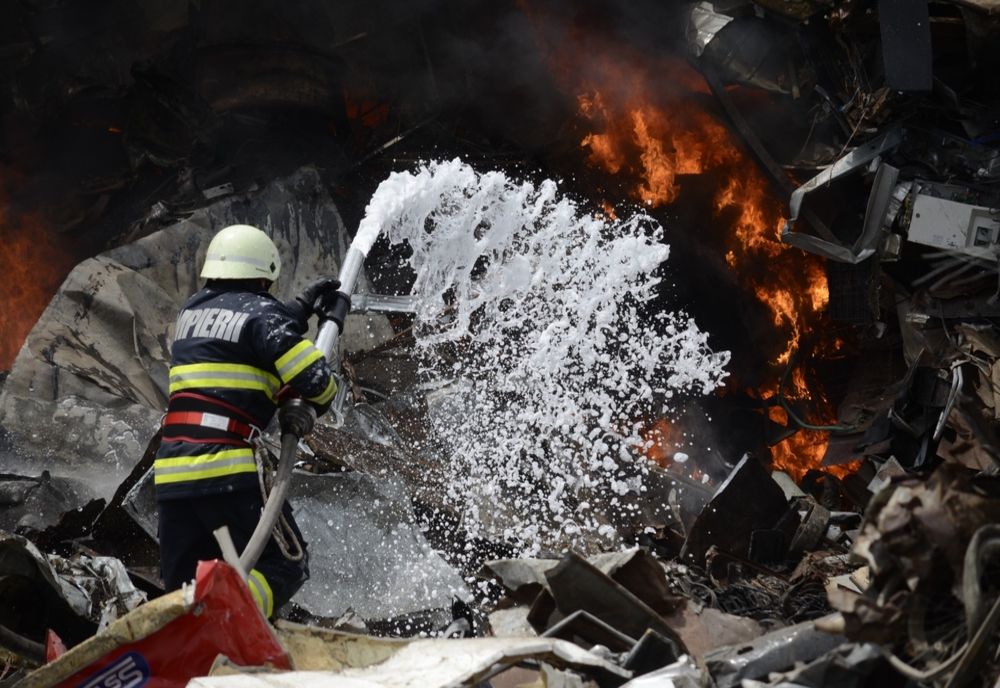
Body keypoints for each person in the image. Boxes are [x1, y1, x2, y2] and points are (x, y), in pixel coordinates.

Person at [154, 223, 340, 618]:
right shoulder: (264, 315)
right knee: (284, 565)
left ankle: (185, 650)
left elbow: (239, 329)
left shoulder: (191, 312)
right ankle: (230, 620)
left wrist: (297, 310)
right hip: (225, 472)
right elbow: (318, 384)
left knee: (183, 586)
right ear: (263, 275)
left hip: (171, 475)